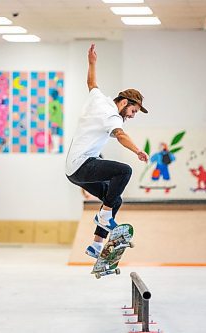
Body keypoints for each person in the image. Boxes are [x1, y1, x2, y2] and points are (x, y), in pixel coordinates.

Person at [66, 44, 149, 259]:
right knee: (124, 171)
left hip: (73, 172)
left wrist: (92, 62)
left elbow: (91, 83)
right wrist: (138, 150)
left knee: (115, 200)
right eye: (132, 111)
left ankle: (96, 244)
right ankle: (103, 216)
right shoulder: (111, 115)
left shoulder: (99, 99)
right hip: (84, 165)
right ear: (123, 102)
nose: (131, 116)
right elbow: (121, 135)